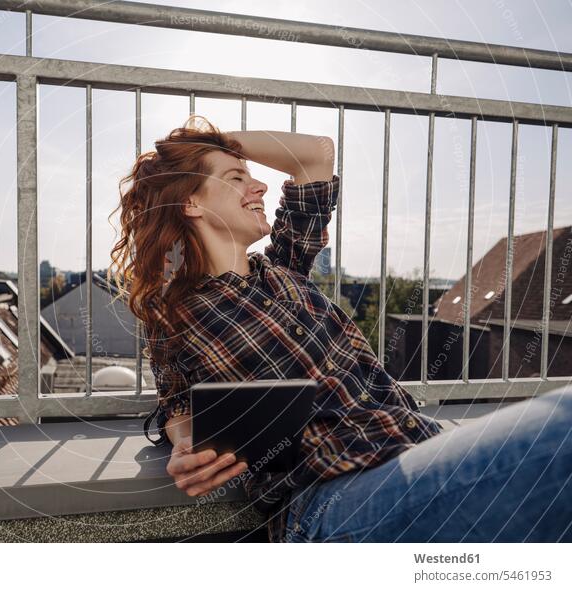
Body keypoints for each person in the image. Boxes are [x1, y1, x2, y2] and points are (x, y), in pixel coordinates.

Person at [107, 115, 572, 543]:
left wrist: (214, 145)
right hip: (335, 501)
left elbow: (315, 154)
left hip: (416, 451)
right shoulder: (180, 311)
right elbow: (178, 406)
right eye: (237, 179)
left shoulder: (284, 269)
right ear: (189, 203)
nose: (261, 186)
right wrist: (184, 440)